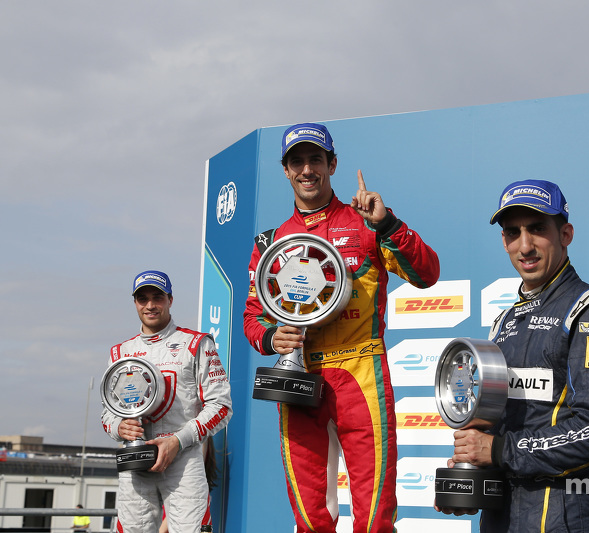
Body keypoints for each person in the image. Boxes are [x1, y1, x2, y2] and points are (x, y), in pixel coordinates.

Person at [242, 122, 440, 532]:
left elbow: (427, 274)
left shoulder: (367, 221)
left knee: (373, 516)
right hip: (300, 378)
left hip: (360, 372)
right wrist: (270, 337)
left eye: (316, 159)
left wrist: (387, 225)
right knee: (310, 517)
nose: (307, 170)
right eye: (297, 161)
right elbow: (253, 315)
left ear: (332, 164)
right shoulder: (269, 242)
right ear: (285, 170)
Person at [435, 180, 589, 532]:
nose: (525, 246)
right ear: (504, 241)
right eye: (513, 232)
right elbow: (496, 428)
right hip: (500, 517)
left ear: (566, 233)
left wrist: (498, 451)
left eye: (537, 229)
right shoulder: (506, 321)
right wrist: (470, 479)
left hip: (565, 515)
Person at [102, 270, 233, 533]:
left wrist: (177, 441)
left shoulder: (196, 343)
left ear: (170, 300)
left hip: (183, 461)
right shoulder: (120, 352)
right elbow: (107, 413)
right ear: (135, 303)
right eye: (143, 299)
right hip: (135, 463)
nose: (150, 305)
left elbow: (221, 407)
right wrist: (119, 428)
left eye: (157, 297)